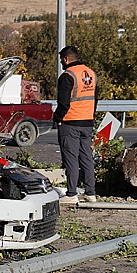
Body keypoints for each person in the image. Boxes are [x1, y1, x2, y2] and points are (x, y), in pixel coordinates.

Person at [53, 46, 97, 205]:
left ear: (66, 59)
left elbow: (63, 102)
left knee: (71, 159)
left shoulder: (68, 75)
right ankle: (90, 193)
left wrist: (57, 118)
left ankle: (71, 194)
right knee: (86, 157)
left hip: (70, 122)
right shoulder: (91, 74)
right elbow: (95, 99)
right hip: (87, 122)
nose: (61, 64)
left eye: (61, 60)